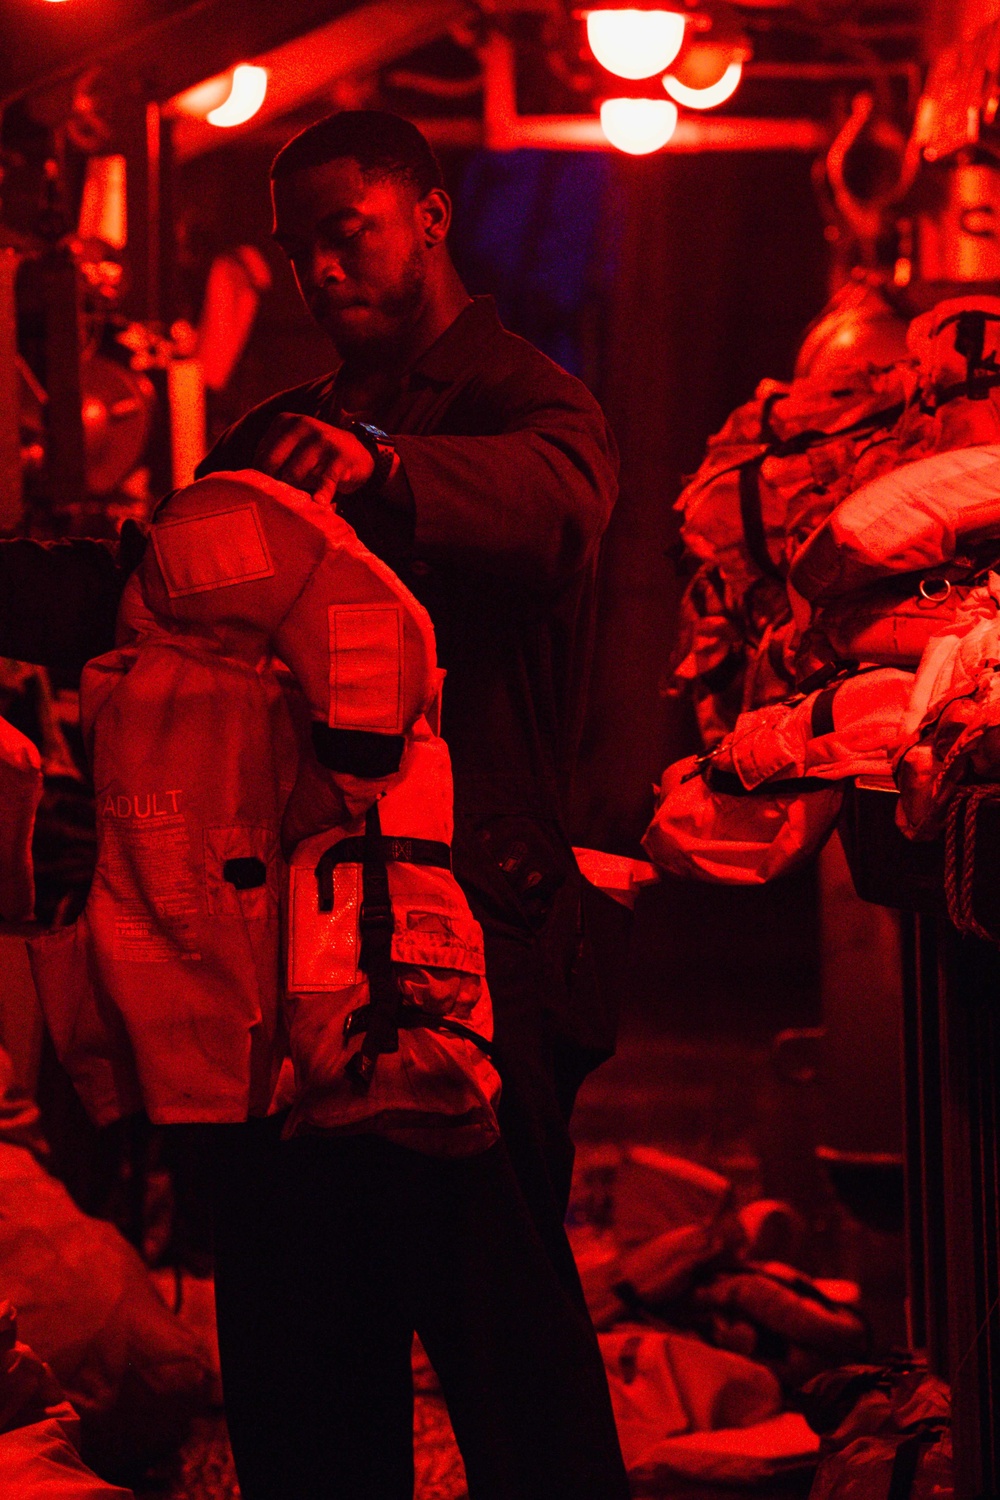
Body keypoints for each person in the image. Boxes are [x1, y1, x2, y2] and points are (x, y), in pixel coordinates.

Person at [0, 111, 628, 1497]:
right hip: (283, 966)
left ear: (428, 215)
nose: (319, 272)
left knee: (508, 1355)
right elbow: (163, 583)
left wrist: (395, 479)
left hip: (472, 952)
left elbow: (556, 511)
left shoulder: (534, 407)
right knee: (298, 1355)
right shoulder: (283, 433)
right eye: (296, 251)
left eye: (345, 231)